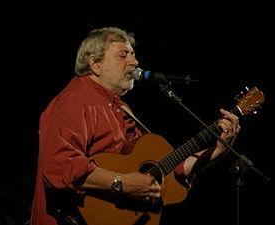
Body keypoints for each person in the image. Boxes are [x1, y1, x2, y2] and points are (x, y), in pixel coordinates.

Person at [30, 27, 240, 225]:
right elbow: (58, 165)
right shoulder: (74, 101)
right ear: (95, 64)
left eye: (133, 54)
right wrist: (123, 183)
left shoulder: (121, 108)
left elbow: (162, 171)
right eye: (124, 55)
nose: (135, 61)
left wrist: (215, 152)